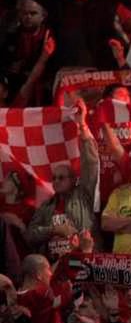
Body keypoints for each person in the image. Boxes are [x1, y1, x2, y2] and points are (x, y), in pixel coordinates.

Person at [26, 103, 99, 258]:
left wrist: (82, 125)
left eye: (61, 177)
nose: (57, 181)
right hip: (54, 268)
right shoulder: (46, 206)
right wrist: (53, 230)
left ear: (74, 180)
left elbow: (91, 163)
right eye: (54, 178)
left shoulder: (84, 195)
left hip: (82, 260)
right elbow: (30, 235)